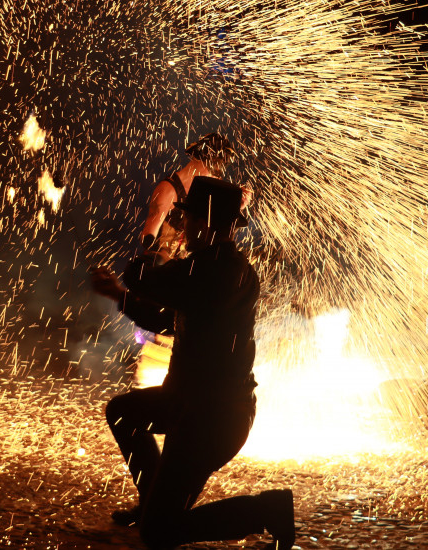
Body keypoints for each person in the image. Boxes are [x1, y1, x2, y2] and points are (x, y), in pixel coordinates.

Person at [92, 177, 294, 550]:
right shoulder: (214, 267)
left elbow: (142, 278)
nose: (180, 227)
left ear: (204, 222)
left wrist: (152, 232)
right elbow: (164, 321)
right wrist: (119, 296)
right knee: (123, 412)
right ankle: (153, 499)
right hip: (189, 405)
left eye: (185, 220)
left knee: (159, 533)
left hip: (212, 419)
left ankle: (268, 510)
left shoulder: (211, 270)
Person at [140, 132, 245, 264]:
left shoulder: (203, 192)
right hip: (159, 269)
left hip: (187, 269)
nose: (216, 177)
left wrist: (237, 206)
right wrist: (162, 257)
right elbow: (147, 238)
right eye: (214, 170)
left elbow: (219, 231)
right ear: (201, 160)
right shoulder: (169, 189)